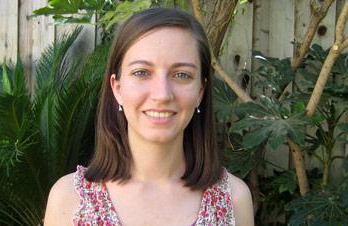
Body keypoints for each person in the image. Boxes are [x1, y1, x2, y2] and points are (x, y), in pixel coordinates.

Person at [44, 7, 254, 226]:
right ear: (117, 88)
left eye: (182, 75)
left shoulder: (233, 200)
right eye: (141, 72)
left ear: (200, 92)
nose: (162, 94)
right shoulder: (69, 199)